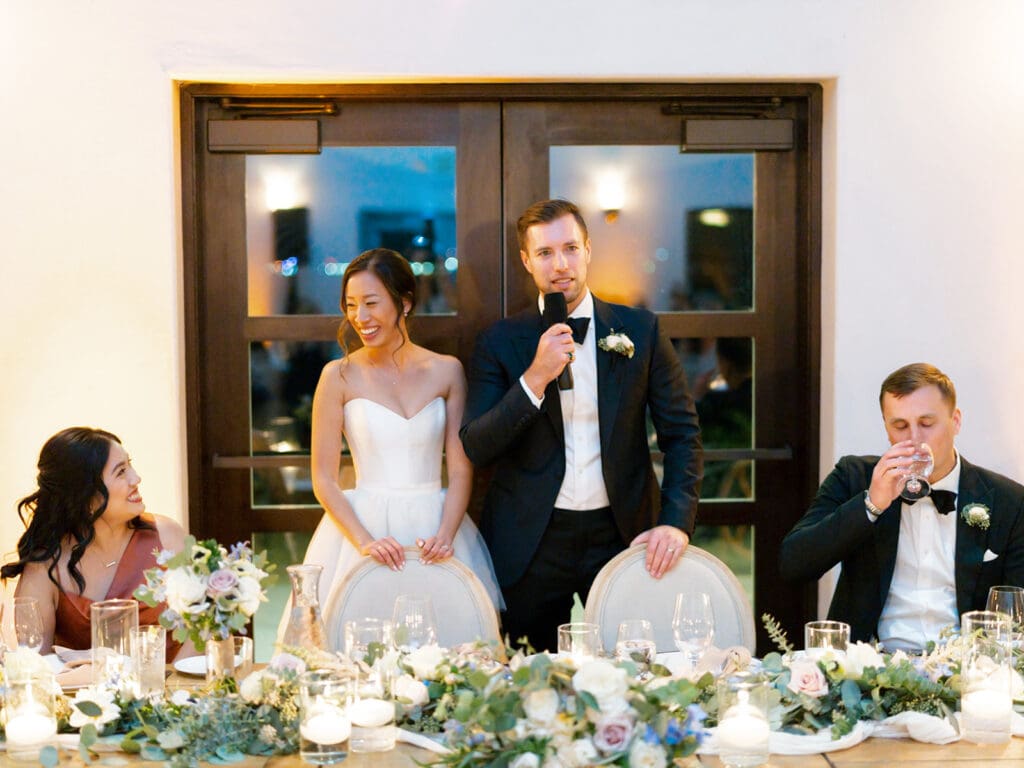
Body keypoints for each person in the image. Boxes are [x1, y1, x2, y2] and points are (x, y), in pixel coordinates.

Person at [459, 199, 702, 652]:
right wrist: (534, 378)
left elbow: (682, 435)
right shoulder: (499, 341)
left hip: (624, 534)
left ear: (588, 250)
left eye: (570, 248)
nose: (560, 265)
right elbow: (477, 445)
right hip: (530, 541)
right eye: (545, 253)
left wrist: (676, 522)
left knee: (630, 670)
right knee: (532, 680)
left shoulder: (640, 329)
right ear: (526, 261)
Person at [282, 248, 502, 645]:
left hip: (434, 523)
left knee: (448, 645)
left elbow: (460, 469)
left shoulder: (447, 370)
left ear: (405, 302)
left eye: (371, 303)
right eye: (351, 305)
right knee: (356, 646)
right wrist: (364, 541)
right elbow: (323, 480)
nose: (360, 317)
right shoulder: (337, 376)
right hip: (362, 529)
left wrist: (446, 534)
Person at [780, 363, 1024, 650]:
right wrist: (871, 504)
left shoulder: (1009, 500)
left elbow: (1016, 616)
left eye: (926, 423)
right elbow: (793, 566)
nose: (914, 439)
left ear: (955, 421)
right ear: (887, 428)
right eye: (900, 426)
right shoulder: (853, 477)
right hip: (869, 664)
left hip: (966, 666)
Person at [2, 427, 187, 658]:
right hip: (82, 683)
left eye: (129, 465)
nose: (136, 478)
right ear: (85, 495)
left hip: (173, 681)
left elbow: (204, 627)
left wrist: (172, 679)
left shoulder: (167, 535)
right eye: (121, 472)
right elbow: (34, 663)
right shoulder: (45, 565)